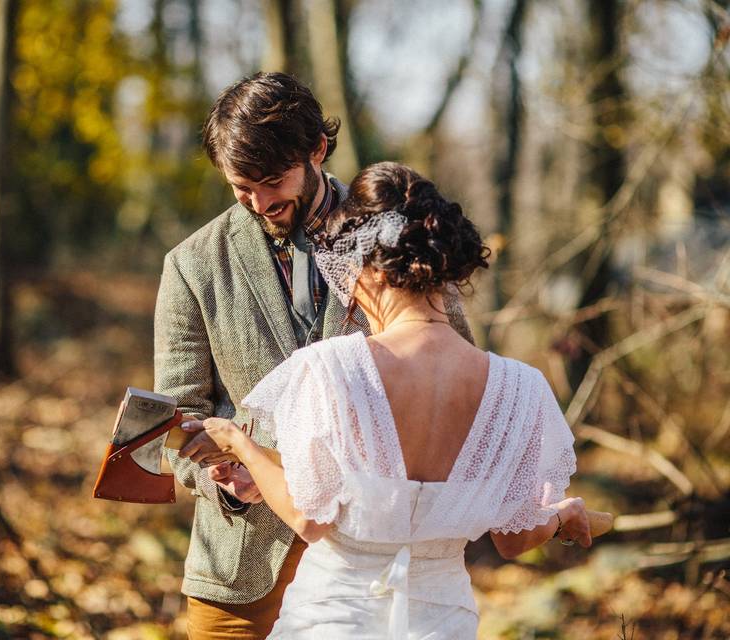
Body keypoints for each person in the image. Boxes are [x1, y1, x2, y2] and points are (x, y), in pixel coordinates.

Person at [185, 162, 592, 639]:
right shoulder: (520, 389)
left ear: (369, 271)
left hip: (335, 619)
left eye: (348, 275)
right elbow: (515, 539)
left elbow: (309, 517)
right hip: (442, 623)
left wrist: (238, 442)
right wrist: (562, 515)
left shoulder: (331, 369)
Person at [153, 75, 475, 639]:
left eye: (272, 181)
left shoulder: (398, 235)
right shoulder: (191, 264)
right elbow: (177, 415)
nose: (259, 203)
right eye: (240, 188)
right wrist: (224, 477)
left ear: (317, 150)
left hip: (371, 571)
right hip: (238, 571)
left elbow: (455, 367)